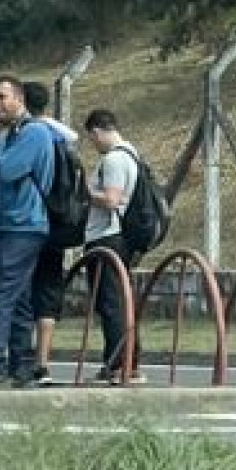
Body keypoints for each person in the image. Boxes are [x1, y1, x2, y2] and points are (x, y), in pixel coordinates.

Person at [0, 81, 79, 386]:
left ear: (20, 99)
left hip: (21, 224)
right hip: (8, 224)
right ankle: (21, 363)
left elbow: (8, 170)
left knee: (0, 294)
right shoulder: (15, 134)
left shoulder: (32, 133)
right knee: (21, 297)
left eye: (2, 97)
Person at [81, 108, 146, 384]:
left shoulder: (115, 160)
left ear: (97, 131)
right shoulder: (132, 154)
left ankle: (121, 362)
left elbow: (111, 200)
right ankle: (122, 359)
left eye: (92, 138)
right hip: (118, 236)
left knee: (111, 303)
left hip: (108, 235)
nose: (93, 144)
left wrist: (83, 193)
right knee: (119, 301)